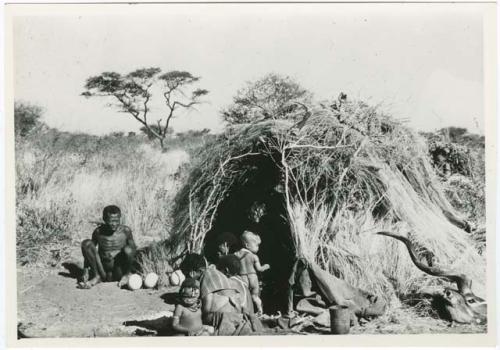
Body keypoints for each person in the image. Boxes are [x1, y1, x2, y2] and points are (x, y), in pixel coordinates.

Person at [179, 253, 262, 336]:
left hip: (222, 316)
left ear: (192, 273)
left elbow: (207, 309)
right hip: (235, 314)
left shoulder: (207, 275)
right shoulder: (218, 275)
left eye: (186, 275)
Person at [78, 205, 136, 289]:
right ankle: (96, 276)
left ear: (120, 218)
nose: (114, 224)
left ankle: (126, 276)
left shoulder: (125, 231)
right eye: (111, 221)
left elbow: (133, 251)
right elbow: (90, 252)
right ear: (104, 219)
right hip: (102, 270)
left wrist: (129, 272)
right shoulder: (98, 232)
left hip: (119, 270)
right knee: (86, 243)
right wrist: (85, 270)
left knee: (129, 249)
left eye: (116, 221)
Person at [234, 231, 270, 315]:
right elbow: (259, 269)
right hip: (253, 277)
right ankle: (260, 311)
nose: (258, 248)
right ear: (247, 245)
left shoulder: (236, 254)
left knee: (245, 296)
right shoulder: (254, 256)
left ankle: (245, 313)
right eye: (257, 245)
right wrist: (266, 266)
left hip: (243, 278)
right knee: (255, 296)